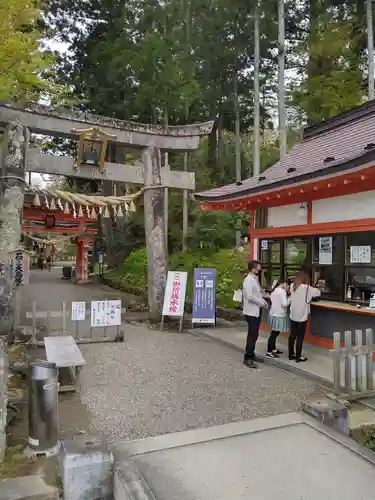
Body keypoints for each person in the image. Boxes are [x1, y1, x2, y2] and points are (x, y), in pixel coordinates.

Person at [289, 272, 321, 363]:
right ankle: (298, 357)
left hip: (293, 315)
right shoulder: (306, 288)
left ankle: (291, 355)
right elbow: (318, 293)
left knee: (292, 335)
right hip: (302, 316)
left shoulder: (292, 286)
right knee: (300, 337)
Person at [243, 260, 268, 368]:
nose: (260, 269)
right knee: (252, 336)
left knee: (255, 334)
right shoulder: (248, 281)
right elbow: (250, 297)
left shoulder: (254, 279)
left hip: (256, 311)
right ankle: (247, 358)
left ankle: (251, 354)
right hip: (251, 312)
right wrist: (262, 303)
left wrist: (264, 301)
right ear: (253, 269)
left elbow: (257, 294)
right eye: (258, 268)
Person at [266, 280, 290, 359]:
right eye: (288, 286)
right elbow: (284, 304)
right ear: (284, 284)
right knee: (274, 333)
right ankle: (269, 352)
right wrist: (290, 299)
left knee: (274, 332)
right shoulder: (282, 291)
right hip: (279, 315)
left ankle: (273, 349)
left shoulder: (275, 290)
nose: (288, 288)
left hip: (273, 314)